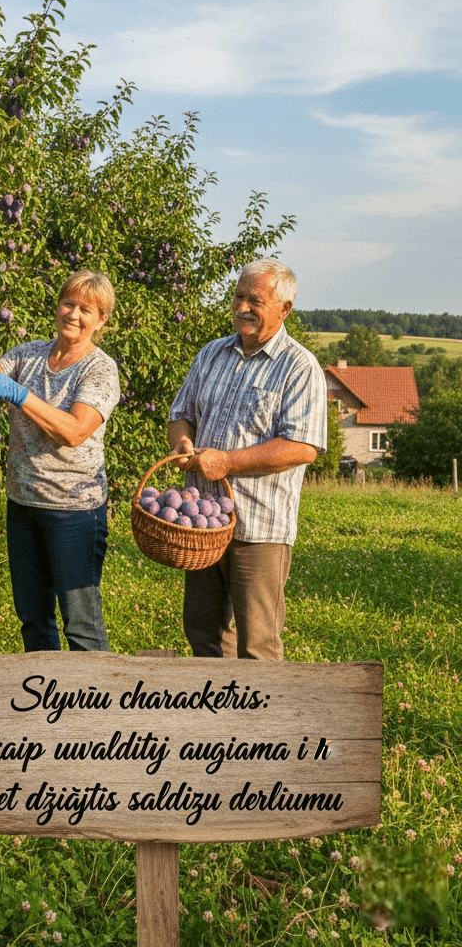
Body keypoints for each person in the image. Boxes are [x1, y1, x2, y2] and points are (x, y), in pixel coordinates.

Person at [167, 258, 327, 660]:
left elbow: (302, 446)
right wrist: (184, 444)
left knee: (257, 644)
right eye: (238, 296)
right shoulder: (212, 354)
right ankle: (217, 720)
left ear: (284, 308)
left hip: (260, 527)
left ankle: (262, 724)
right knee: (202, 632)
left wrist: (227, 463)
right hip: (202, 521)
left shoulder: (299, 366)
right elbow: (180, 414)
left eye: (255, 300)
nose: (242, 307)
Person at [0, 271, 121, 653]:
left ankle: (95, 703)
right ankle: (48, 697)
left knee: (80, 624)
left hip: (73, 510)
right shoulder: (29, 353)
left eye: (86, 309)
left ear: (101, 320)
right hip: (24, 503)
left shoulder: (99, 369)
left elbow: (75, 431)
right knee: (33, 618)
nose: (74, 314)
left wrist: (19, 394)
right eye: (69, 303)